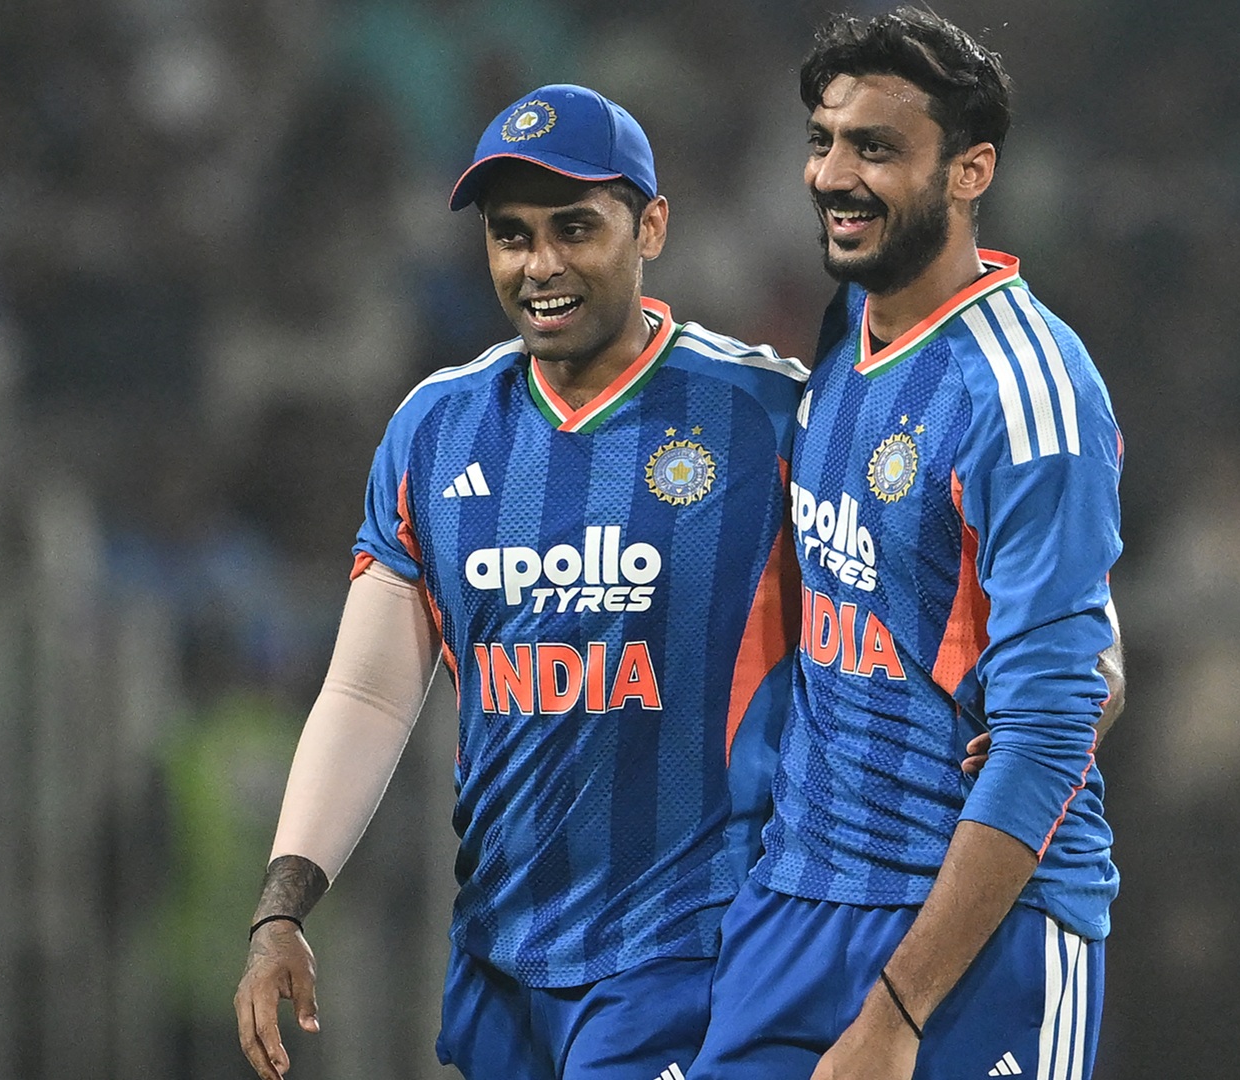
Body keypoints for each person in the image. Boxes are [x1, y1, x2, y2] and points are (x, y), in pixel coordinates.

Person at [231, 84, 810, 1080]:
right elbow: (369, 692)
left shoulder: (767, 417)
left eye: (575, 228)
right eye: (512, 236)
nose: (540, 264)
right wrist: (282, 906)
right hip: (505, 964)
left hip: (694, 957)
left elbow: (899, 587)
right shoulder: (436, 429)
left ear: (652, 226)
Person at [693, 10, 1126, 1080]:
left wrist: (898, 1007)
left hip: (975, 944)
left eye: (876, 148)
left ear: (971, 170)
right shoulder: (854, 324)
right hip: (799, 908)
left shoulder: (1029, 390)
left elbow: (1053, 723)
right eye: (823, 140)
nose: (833, 175)